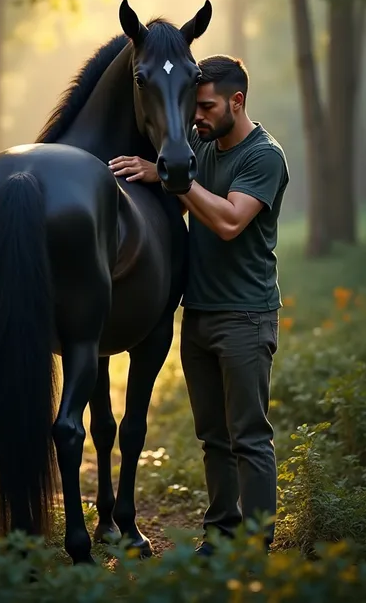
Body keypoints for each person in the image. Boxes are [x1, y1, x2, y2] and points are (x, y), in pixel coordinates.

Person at [108, 54, 289, 555]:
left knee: (248, 437)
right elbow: (182, 178)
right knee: (212, 436)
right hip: (201, 312)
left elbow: (230, 221)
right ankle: (220, 536)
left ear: (237, 101)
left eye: (205, 107)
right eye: (194, 108)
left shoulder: (264, 156)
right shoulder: (202, 147)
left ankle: (254, 547)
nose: (196, 118)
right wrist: (156, 167)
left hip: (246, 317)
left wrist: (174, 179)